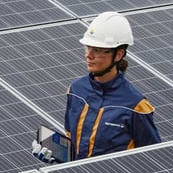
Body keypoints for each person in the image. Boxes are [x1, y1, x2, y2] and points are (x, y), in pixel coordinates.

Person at [33, 11, 161, 162]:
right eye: (88, 48)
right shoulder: (75, 91)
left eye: (97, 50)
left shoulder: (136, 106)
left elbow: (153, 158)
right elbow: (72, 140)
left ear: (118, 55)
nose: (89, 55)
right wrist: (60, 161)